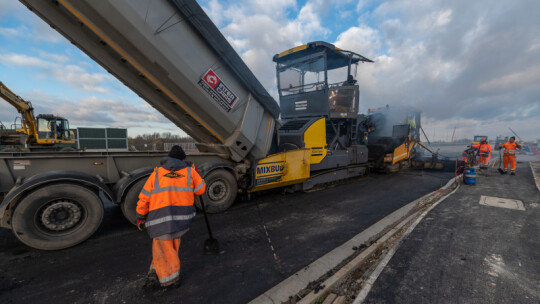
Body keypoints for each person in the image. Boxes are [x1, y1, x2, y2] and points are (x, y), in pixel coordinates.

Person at [136, 145, 206, 290]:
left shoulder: (157, 173)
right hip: (181, 220)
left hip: (160, 220)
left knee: (164, 248)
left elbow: (144, 197)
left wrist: (141, 215)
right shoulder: (189, 172)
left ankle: (169, 280)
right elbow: (201, 190)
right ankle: (161, 274)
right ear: (183, 159)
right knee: (170, 247)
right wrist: (195, 173)